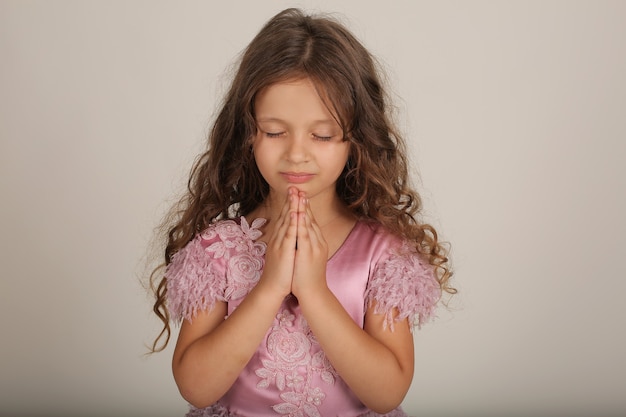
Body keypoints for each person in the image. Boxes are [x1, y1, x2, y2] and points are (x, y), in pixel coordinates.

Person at [149, 7, 454, 417]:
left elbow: (387, 394)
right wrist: (270, 286)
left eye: (323, 134)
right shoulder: (217, 249)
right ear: (248, 133)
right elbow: (196, 387)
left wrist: (313, 291)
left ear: (355, 139)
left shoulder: (382, 254)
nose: (296, 153)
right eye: (275, 132)